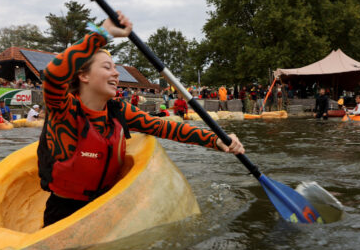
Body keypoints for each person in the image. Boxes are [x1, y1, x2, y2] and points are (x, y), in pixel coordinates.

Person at [38, 12, 244, 227]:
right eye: (107, 67)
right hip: (64, 211)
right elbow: (53, 75)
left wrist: (216, 140)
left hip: (106, 205)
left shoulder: (119, 111)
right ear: (84, 75)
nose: (116, 74)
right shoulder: (63, 109)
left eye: (115, 69)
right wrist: (101, 34)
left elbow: (166, 128)